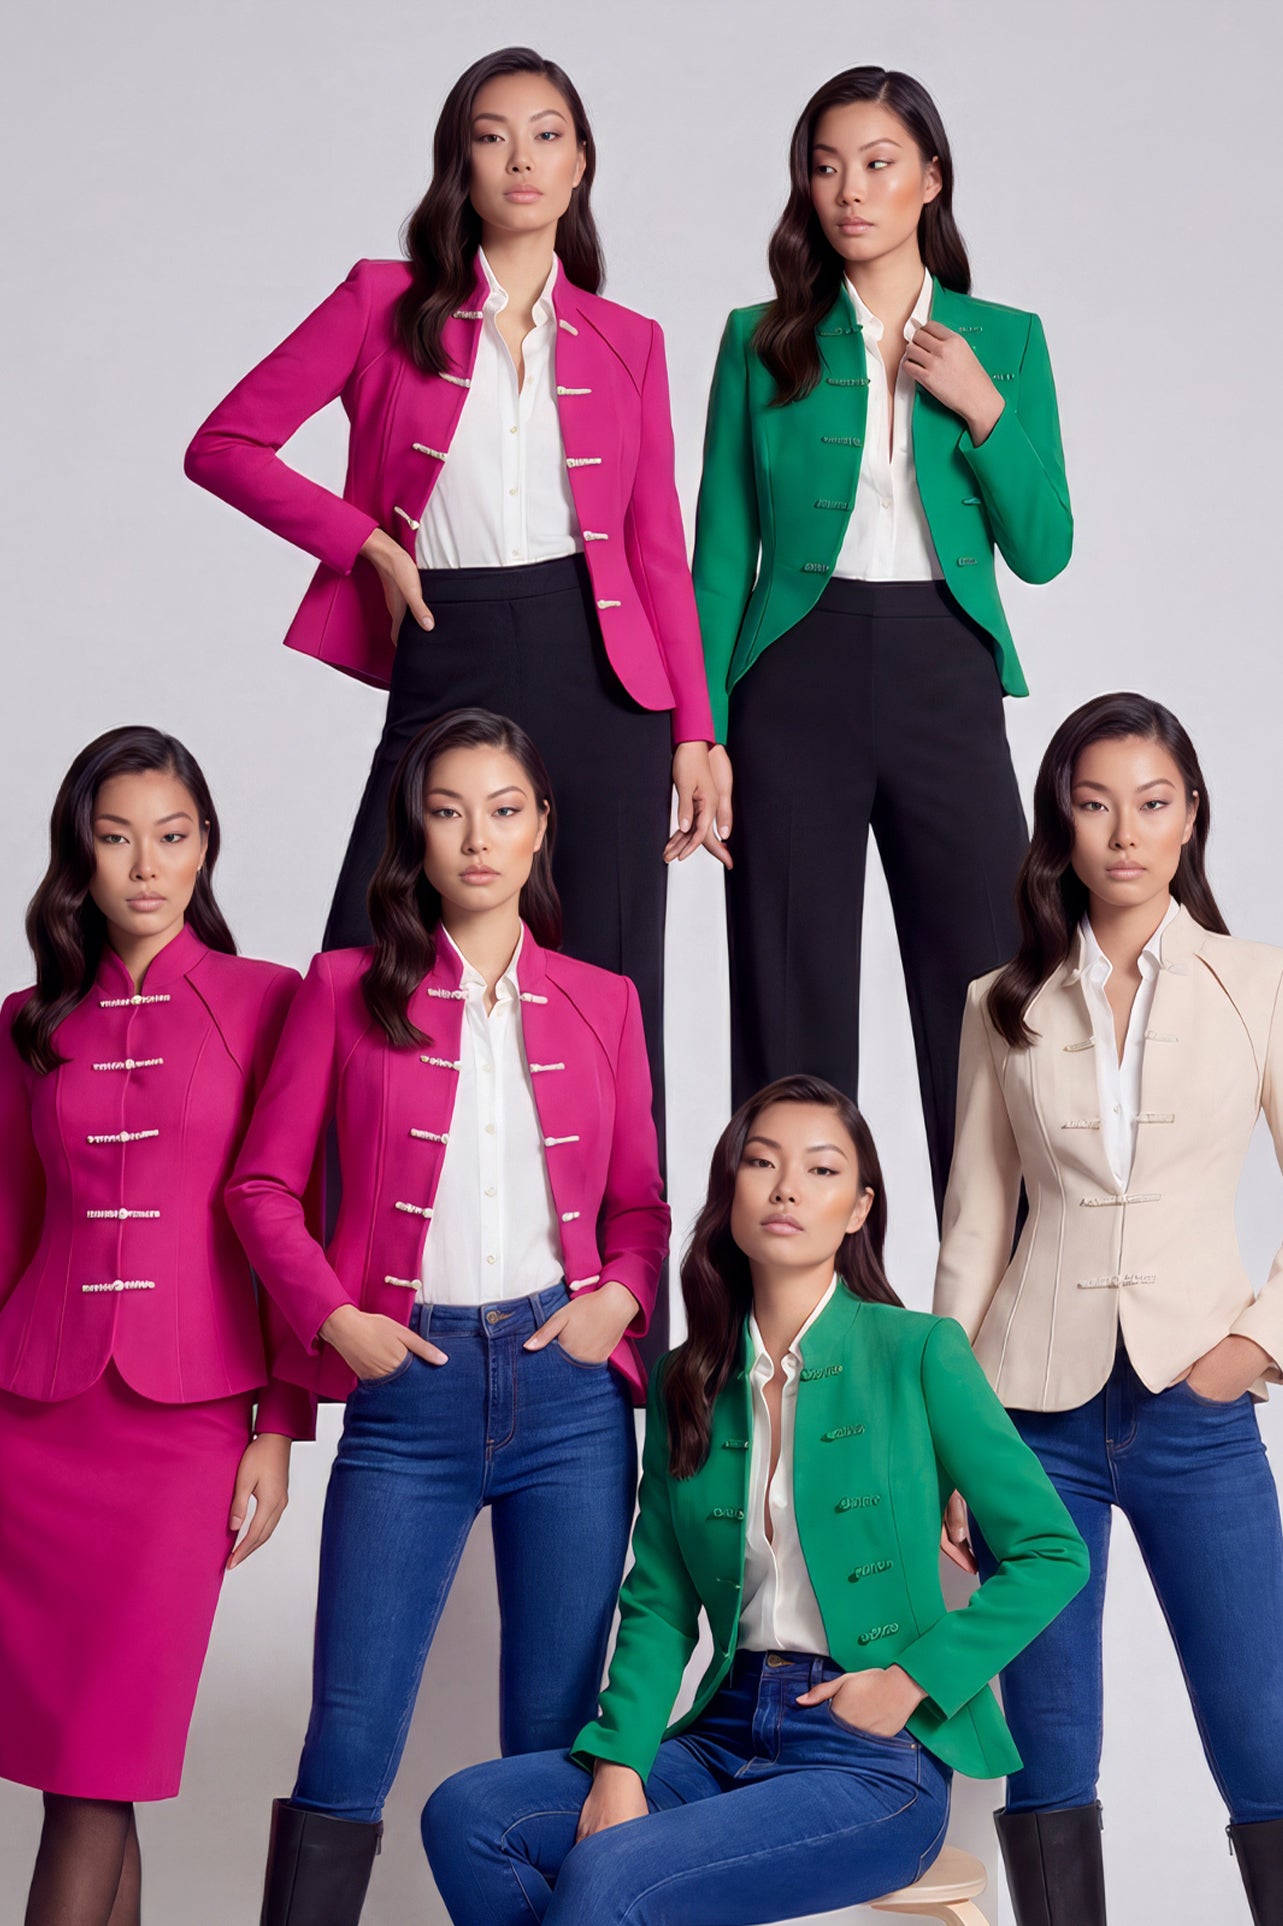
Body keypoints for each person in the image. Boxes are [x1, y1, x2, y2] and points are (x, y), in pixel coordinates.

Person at [185, 45, 729, 1195]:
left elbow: (654, 553)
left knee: (613, 995)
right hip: (454, 639)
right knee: (363, 963)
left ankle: (626, 1331)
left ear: (580, 163)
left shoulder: (630, 341)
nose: (520, 158)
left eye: (545, 134)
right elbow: (224, 445)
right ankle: (320, 1298)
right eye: (492, 135)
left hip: (609, 679)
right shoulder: (383, 302)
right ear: (459, 162)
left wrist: (695, 729)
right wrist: (366, 541)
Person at [422, 1074, 1087, 1924]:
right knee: (472, 1816)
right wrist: (622, 1765)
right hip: (723, 1730)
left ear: (857, 1210)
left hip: (871, 1759)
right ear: (729, 1194)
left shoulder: (919, 1352)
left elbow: (1051, 1553)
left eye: (820, 1171)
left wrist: (912, 1681)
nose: (785, 1188)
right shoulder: (685, 1380)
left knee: (610, 1879)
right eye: (761, 1163)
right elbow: (660, 1600)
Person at [225, 708, 668, 1924]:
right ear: (413, 834)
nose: (477, 837)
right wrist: (335, 1321)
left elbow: (641, 1206)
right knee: (351, 1731)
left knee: (551, 1747)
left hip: (571, 1400)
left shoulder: (603, 1002)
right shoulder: (339, 992)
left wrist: (618, 1299)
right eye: (447, 809)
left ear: (540, 831)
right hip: (404, 1395)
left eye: (504, 809)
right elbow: (259, 1189)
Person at [693, 64, 1071, 1218]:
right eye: (823, 166)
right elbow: (717, 555)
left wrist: (981, 406)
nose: (847, 190)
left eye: (876, 163)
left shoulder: (1001, 341)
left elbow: (1044, 547)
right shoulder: (759, 340)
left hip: (941, 674)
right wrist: (697, 734)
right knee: (788, 999)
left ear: (929, 179)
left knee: (985, 994)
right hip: (790, 684)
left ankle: (994, 1323)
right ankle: (789, 1314)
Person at [935, 692, 1283, 1925]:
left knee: (1263, 1737)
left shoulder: (1256, 982)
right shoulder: (1001, 1000)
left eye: (1149, 803)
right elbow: (973, 1232)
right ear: (1059, 826)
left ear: (1188, 817)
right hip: (1029, 1425)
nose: (1122, 833)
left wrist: (1251, 1347)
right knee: (1046, 1756)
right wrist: (950, 1446)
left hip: (1197, 1410)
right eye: (1093, 805)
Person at [0, 726, 311, 1926]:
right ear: (77, 859)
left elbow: (291, 1227)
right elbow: (11, 1235)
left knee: (97, 1775)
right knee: (84, 1788)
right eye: (116, 837)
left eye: (171, 837)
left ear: (204, 848)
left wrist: (277, 1430)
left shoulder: (266, 1002)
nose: (145, 865)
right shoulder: (28, 1021)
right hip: (33, 1424)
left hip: (182, 1431)